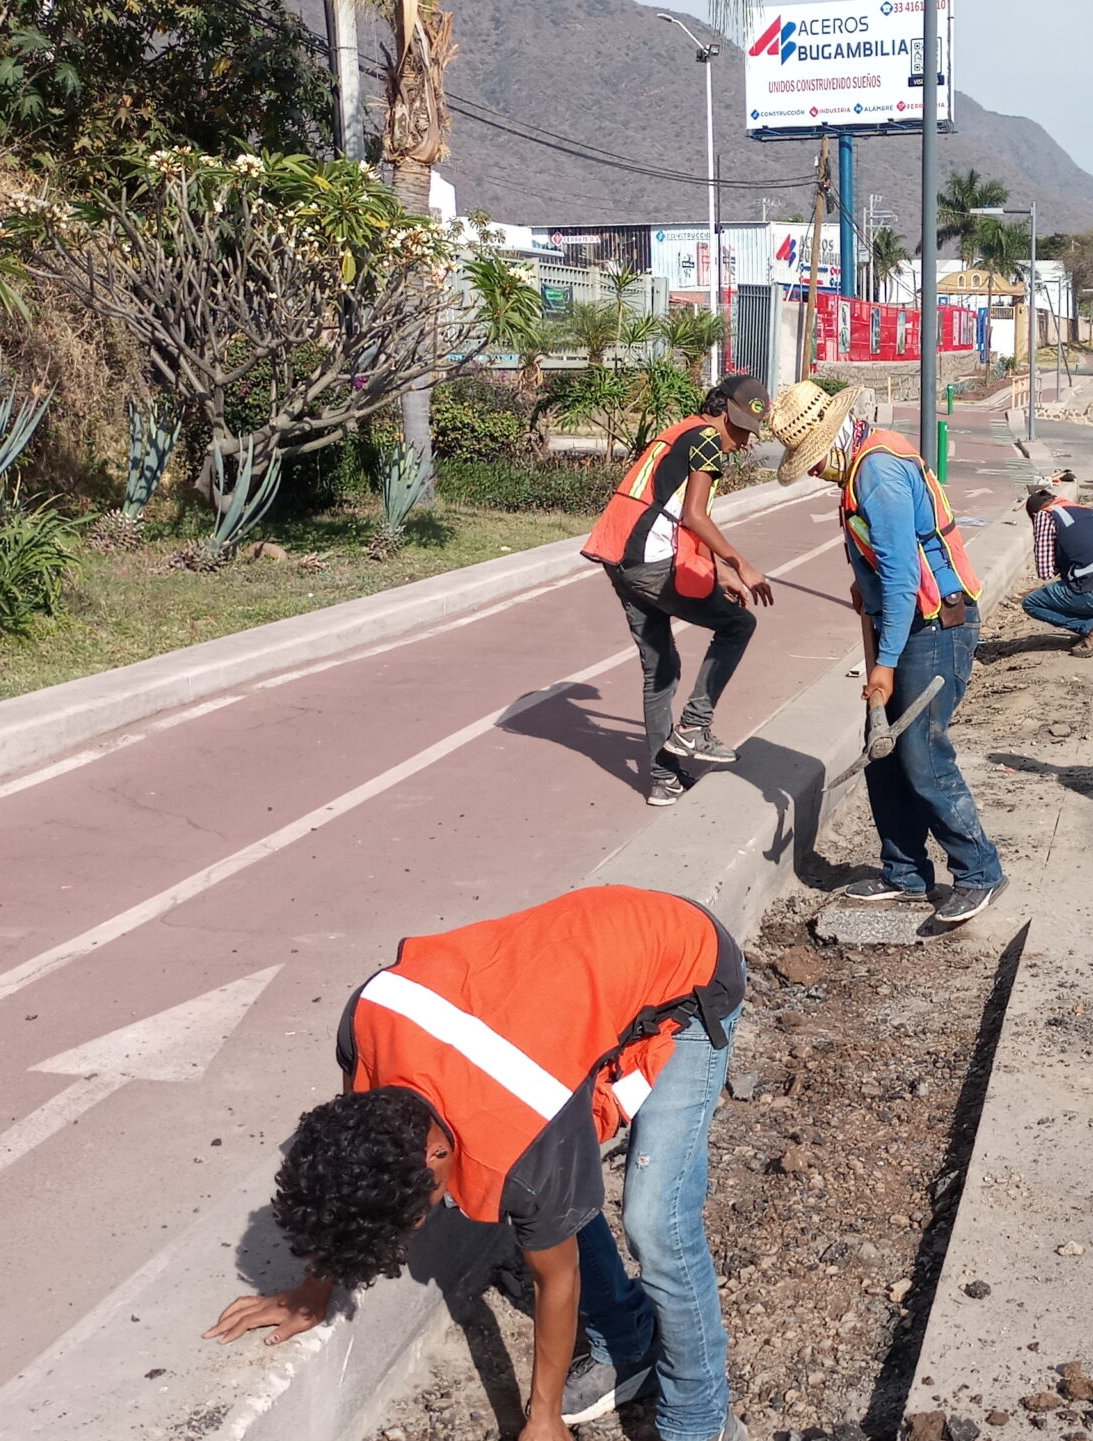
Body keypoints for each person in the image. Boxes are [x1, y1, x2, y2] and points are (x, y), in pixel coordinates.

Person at [205, 886, 747, 1441]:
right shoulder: (370, 1025)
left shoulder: (526, 1130)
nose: (425, 1222)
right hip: (572, 971)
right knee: (557, 1197)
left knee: (656, 1223)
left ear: (435, 1154)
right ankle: (627, 1341)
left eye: (417, 1215)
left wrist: (543, 1418)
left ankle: (702, 1420)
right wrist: (313, 1289)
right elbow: (344, 1184)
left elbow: (554, 1280)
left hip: (686, 969)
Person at [762, 379, 1006, 925]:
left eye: (814, 459)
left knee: (921, 753)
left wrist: (885, 666)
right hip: (907, 619)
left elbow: (901, 581)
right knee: (883, 748)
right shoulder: (860, 465)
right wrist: (861, 587)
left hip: (934, 626)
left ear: (834, 439)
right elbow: (882, 565)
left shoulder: (877, 473)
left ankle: (979, 871)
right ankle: (905, 872)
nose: (816, 471)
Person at [582, 375, 779, 807]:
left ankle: (661, 780)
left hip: (621, 560)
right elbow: (693, 516)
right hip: (650, 565)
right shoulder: (707, 438)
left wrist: (715, 569)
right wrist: (739, 564)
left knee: (662, 670)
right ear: (723, 411)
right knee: (738, 624)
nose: (745, 441)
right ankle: (694, 727)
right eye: (742, 428)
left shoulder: (680, 431)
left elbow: (669, 515)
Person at [1020, 486, 1093, 657]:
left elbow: (1045, 572)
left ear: (1034, 515)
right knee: (1080, 578)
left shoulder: (1046, 515)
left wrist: (1061, 561)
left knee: (1032, 602)